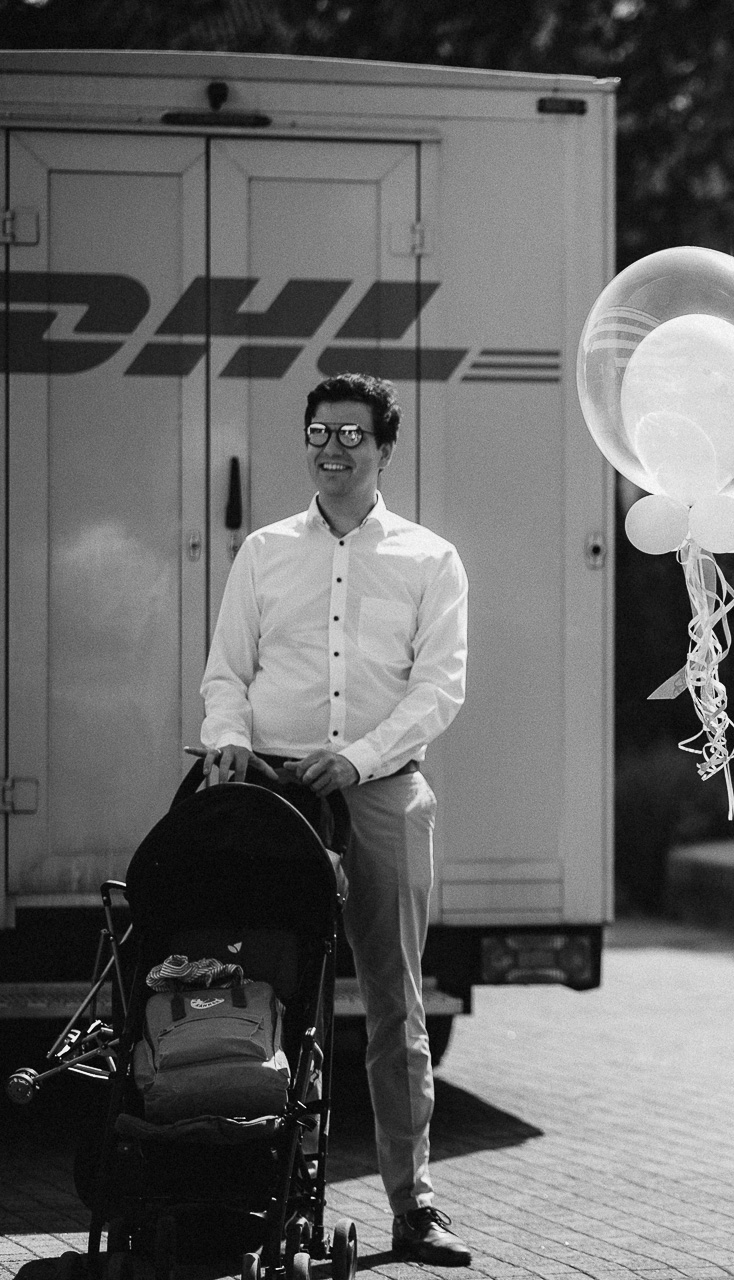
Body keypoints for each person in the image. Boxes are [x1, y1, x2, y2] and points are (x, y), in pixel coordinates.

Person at [200, 373, 473, 1266]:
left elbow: (439, 691)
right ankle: (242, 1190)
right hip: (274, 796)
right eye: (319, 433)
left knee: (394, 1003)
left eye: (352, 435)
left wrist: (357, 759)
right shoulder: (265, 552)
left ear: (385, 447)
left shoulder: (431, 560)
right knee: (260, 986)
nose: (332, 449)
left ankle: (414, 1206)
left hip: (383, 791)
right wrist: (228, 738)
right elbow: (225, 675)